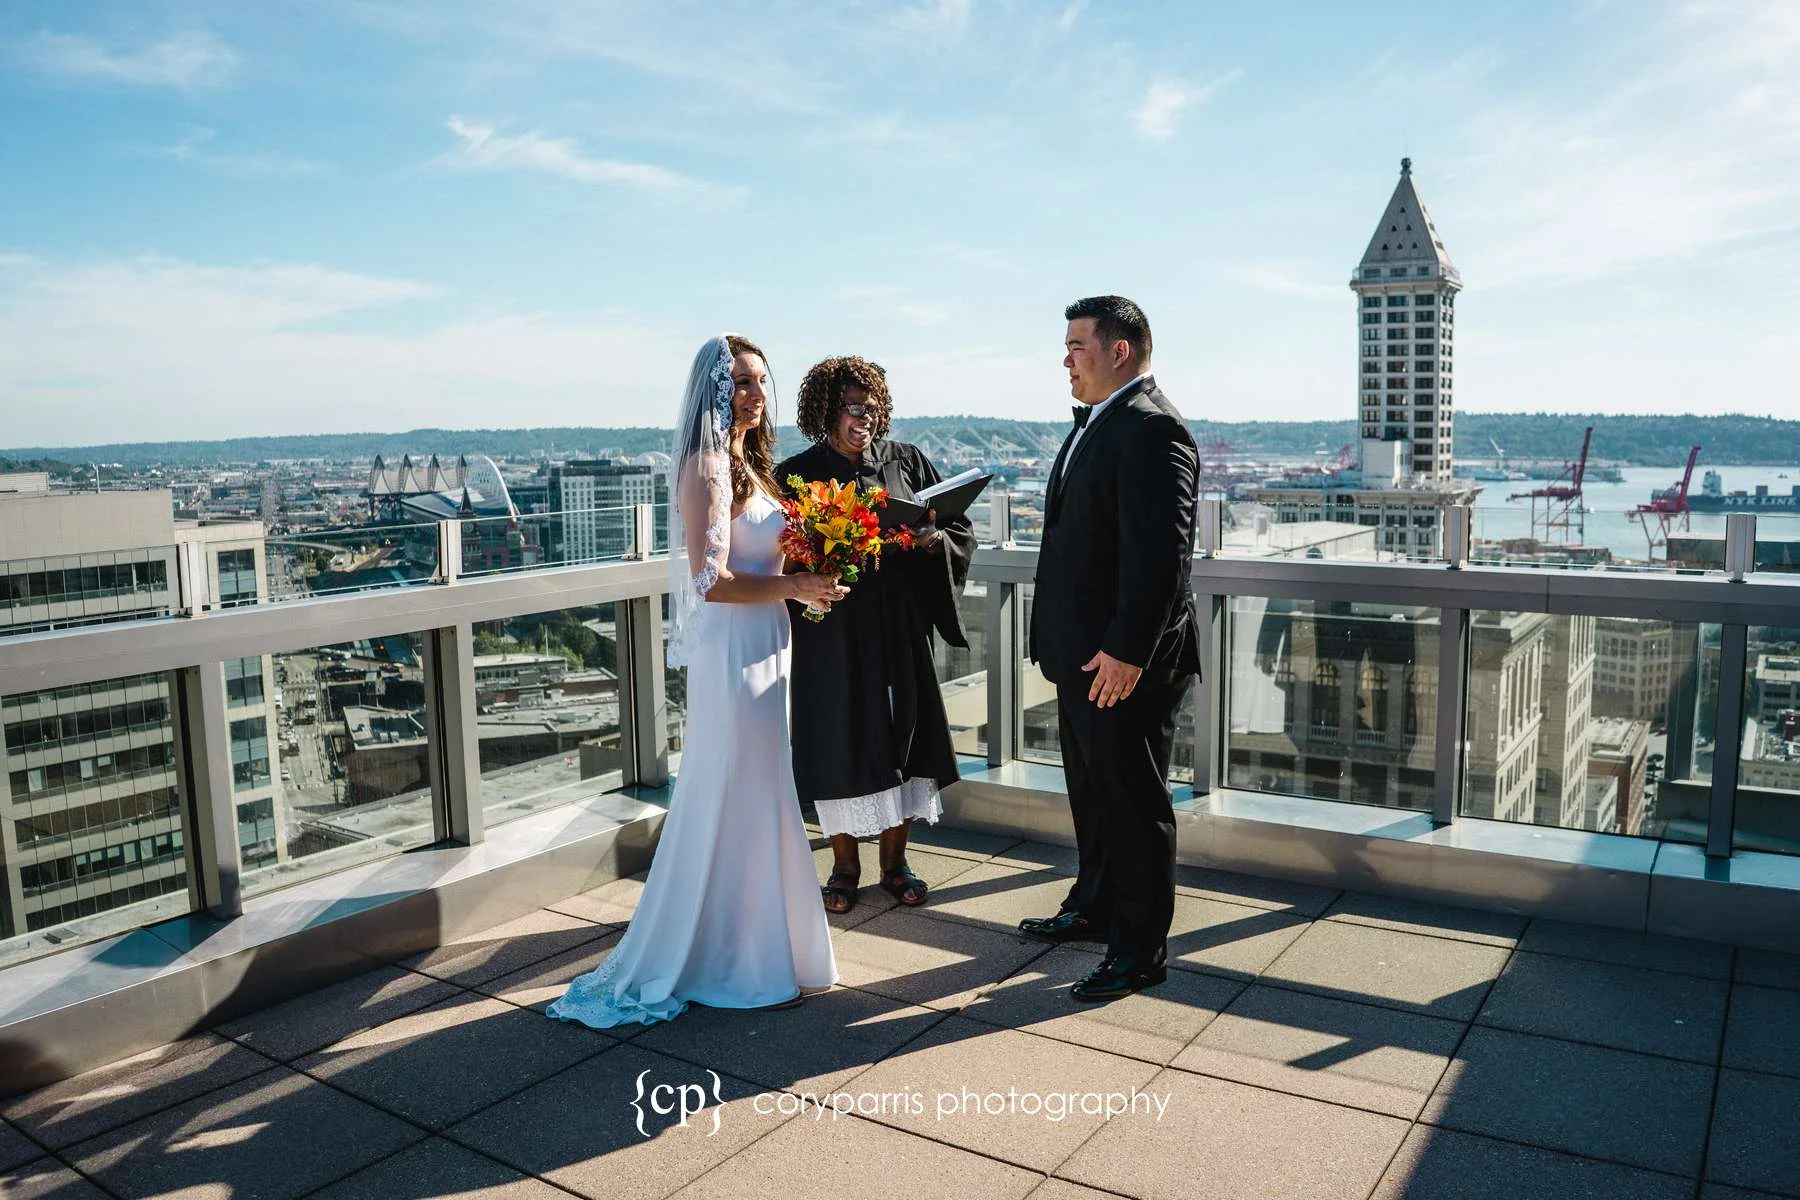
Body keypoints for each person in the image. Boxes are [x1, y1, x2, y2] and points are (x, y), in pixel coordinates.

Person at [548, 335, 847, 1029]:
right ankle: (733, 960)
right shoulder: (708, 467)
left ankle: (768, 950)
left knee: (762, 789)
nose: (755, 395)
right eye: (742, 383)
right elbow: (709, 583)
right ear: (713, 390)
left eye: (762, 383)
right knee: (737, 791)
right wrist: (797, 582)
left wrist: (811, 566)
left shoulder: (748, 463)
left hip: (768, 644)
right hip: (734, 653)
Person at [1019, 296, 1202, 1002]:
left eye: (1076, 345)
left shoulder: (1154, 431)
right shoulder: (1102, 424)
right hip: (1084, 658)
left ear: (1118, 351)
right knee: (1092, 795)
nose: (1065, 358)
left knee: (1134, 806)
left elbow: (1163, 560)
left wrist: (1128, 652)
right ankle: (1093, 906)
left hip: (1125, 665)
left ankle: (1138, 951)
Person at [778, 356, 975, 913]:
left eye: (870, 406)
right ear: (824, 410)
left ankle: (895, 864)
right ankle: (843, 867)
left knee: (903, 738)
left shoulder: (907, 461)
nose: (862, 417)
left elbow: (954, 528)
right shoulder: (799, 473)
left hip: (898, 625)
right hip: (834, 633)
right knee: (838, 738)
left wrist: (934, 540)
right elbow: (783, 556)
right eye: (849, 406)